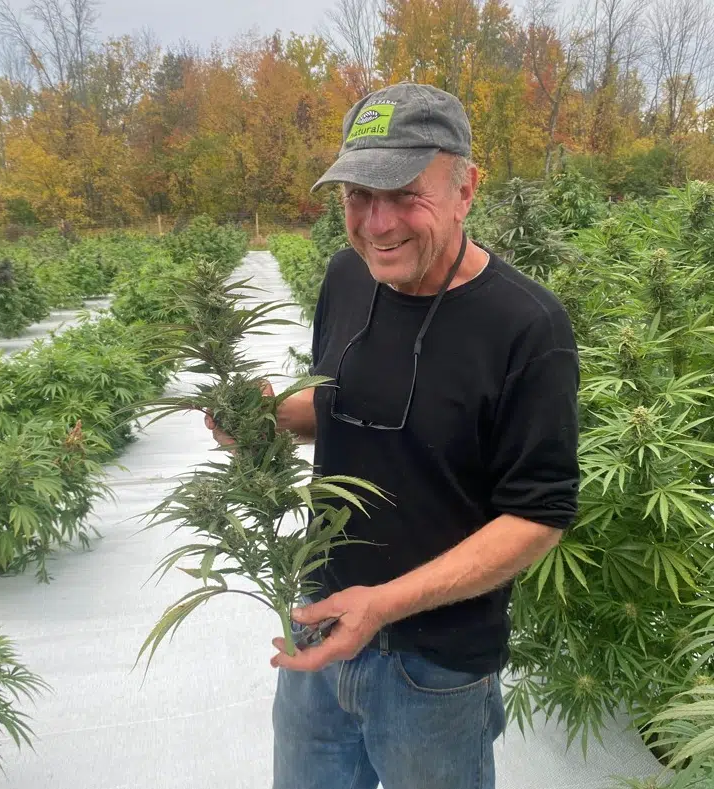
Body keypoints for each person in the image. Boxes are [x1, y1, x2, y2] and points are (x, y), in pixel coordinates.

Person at [206, 82, 580, 789]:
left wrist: (384, 603)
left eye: (405, 193)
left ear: (466, 187)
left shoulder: (527, 326)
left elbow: (538, 514)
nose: (377, 223)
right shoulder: (348, 274)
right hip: (318, 632)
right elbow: (344, 403)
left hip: (433, 670)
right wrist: (270, 419)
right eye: (356, 195)